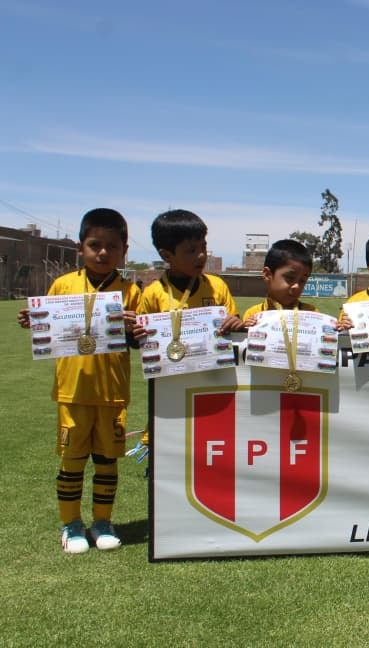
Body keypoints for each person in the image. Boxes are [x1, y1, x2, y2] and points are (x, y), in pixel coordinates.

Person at [16, 208, 142, 553]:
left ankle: (102, 521)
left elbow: (139, 342)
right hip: (72, 392)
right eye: (94, 245)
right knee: (72, 462)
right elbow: (49, 330)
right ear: (80, 248)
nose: (103, 253)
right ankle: (71, 525)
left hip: (112, 393)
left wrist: (135, 329)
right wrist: (35, 321)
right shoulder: (63, 285)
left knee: (106, 462)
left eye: (112, 246)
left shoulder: (131, 291)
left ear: (124, 250)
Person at [129, 210, 244, 460]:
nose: (201, 255)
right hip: (170, 389)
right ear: (166, 255)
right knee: (171, 458)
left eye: (203, 247)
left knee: (210, 451)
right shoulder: (152, 294)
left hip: (213, 386)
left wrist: (237, 323)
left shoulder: (217, 287)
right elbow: (140, 344)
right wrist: (136, 334)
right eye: (191, 250)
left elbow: (234, 333)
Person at [242, 239, 318, 326]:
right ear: (267, 274)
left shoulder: (312, 314)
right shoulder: (253, 315)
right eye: (290, 278)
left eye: (302, 280)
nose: (297, 286)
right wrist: (245, 330)